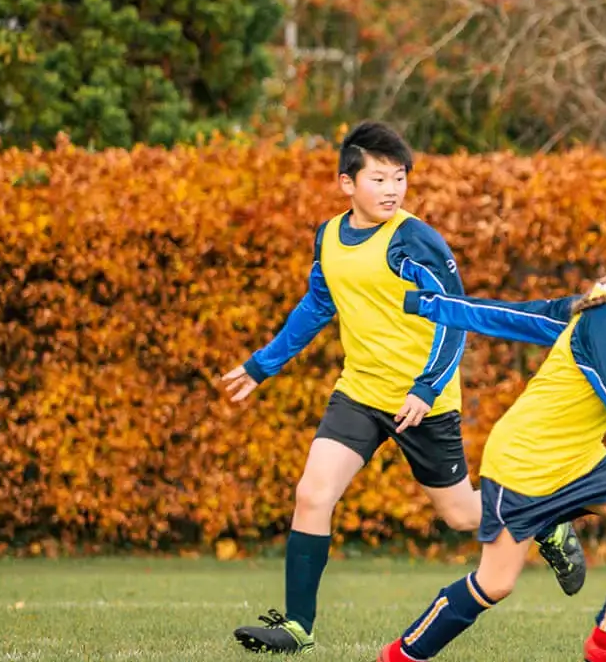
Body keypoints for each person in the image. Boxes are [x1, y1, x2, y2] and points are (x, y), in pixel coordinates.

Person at [218, 122, 583, 655]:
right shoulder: (329, 237)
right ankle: (297, 628)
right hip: (361, 394)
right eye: (379, 178)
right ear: (347, 184)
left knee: (460, 515)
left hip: (424, 402)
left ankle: (546, 519)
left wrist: (426, 388)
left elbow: (454, 320)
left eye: (400, 178)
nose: (392, 189)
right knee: (312, 495)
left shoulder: (414, 241)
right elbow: (318, 304)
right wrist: (261, 365)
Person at [376, 222, 606, 662]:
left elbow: (522, 316)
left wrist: (439, 306)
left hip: (578, 459)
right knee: (495, 583)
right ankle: (400, 655)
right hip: (525, 463)